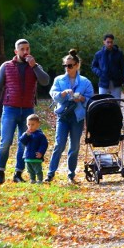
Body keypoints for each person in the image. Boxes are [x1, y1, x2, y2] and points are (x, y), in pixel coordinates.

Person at [0, 39, 50, 184]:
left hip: (27, 111)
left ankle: (18, 173)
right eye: (22, 49)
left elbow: (45, 81)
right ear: (16, 51)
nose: (26, 52)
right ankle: (0, 172)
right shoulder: (6, 66)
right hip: (10, 109)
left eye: (28, 49)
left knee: (24, 142)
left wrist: (35, 66)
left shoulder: (35, 67)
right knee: (5, 141)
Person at [46, 49, 94, 183]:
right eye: (65, 66)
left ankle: (71, 174)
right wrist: (62, 94)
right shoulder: (59, 80)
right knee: (59, 144)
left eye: (70, 65)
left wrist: (82, 99)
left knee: (74, 147)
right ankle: (50, 174)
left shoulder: (85, 82)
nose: (67, 68)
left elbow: (90, 99)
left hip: (77, 117)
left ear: (77, 65)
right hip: (63, 115)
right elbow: (53, 94)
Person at [91, 33, 124, 99]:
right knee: (101, 102)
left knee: (117, 103)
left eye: (111, 42)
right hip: (103, 82)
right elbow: (93, 66)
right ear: (104, 42)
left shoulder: (119, 53)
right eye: (108, 42)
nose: (110, 44)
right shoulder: (99, 54)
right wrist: (99, 73)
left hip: (116, 82)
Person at [18, 114, 49, 184]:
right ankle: (32, 179)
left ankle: (40, 180)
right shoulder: (27, 134)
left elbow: (44, 144)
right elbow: (22, 141)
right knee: (30, 170)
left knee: (38, 169)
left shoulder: (40, 135)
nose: (30, 127)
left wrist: (41, 152)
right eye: (28, 125)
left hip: (36, 156)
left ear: (38, 124)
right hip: (28, 156)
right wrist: (25, 135)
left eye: (32, 124)